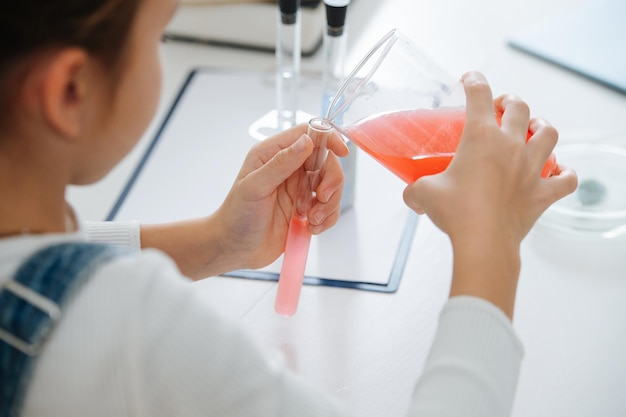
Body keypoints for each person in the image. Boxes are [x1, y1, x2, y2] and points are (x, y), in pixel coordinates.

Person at [0, 0, 577, 417]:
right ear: (70, 92)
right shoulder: (131, 330)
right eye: (160, 38)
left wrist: (217, 242)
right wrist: (490, 245)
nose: (160, 52)